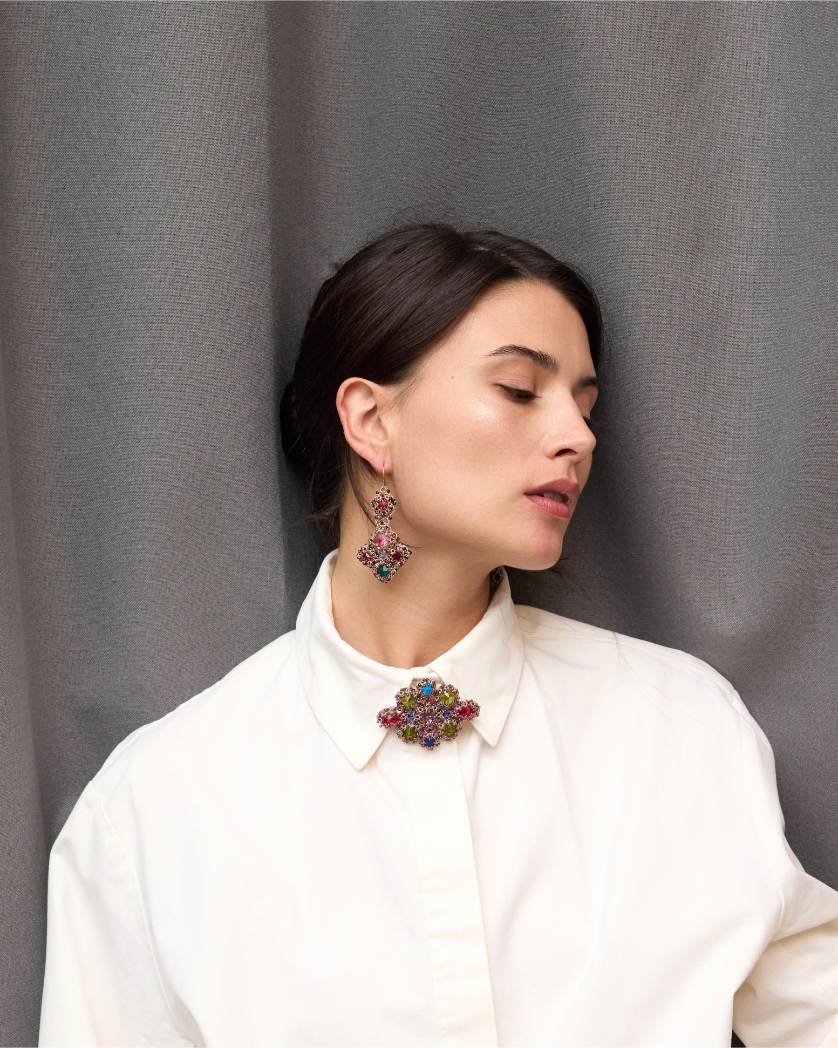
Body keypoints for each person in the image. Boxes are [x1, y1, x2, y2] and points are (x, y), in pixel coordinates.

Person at [39, 225, 838, 1048]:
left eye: (586, 405)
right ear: (371, 421)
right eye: (523, 390)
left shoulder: (679, 728)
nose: (580, 436)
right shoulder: (153, 810)